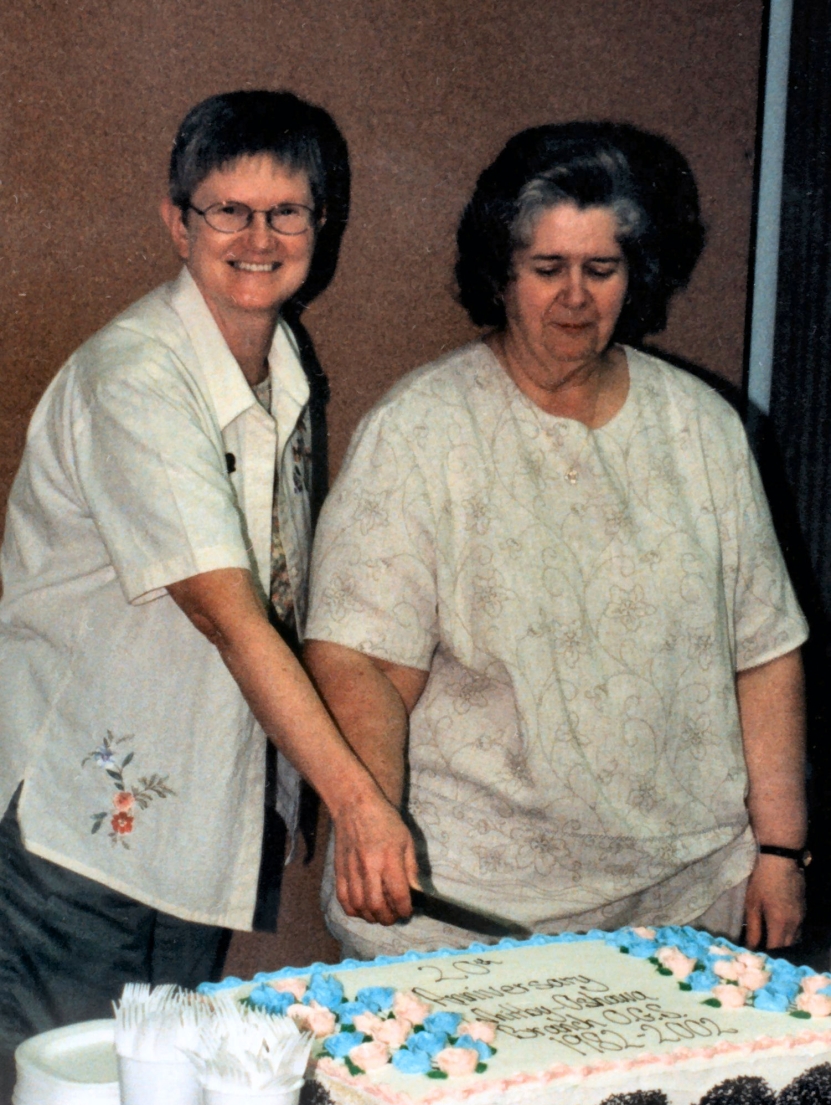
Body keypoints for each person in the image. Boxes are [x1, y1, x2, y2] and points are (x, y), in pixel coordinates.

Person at [304, 122, 810, 961]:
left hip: (685, 899)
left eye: (599, 269)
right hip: (467, 910)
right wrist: (369, 819)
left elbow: (763, 654)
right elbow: (360, 662)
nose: (574, 296)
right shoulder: (420, 431)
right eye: (547, 269)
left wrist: (780, 851)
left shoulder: (702, 430)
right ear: (500, 274)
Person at [0, 90, 409, 1051]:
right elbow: (228, 615)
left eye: (287, 212)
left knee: (159, 1101)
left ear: (321, 224)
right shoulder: (137, 376)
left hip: (190, 822)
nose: (257, 237)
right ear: (176, 221)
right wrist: (358, 806)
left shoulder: (283, 360)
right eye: (228, 209)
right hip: (78, 831)